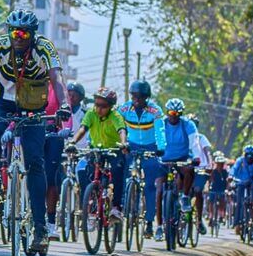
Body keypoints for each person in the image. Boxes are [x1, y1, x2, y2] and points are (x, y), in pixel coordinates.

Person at [0, 9, 71, 250]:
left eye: (24, 33)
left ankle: (41, 228)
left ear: (32, 34)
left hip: (34, 103)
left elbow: (57, 78)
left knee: (35, 163)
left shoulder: (44, 47)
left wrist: (64, 105)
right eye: (14, 32)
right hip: (2, 100)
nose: (18, 37)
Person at [67, 87, 127, 222]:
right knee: (85, 172)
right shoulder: (91, 114)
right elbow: (83, 129)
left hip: (113, 151)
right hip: (96, 150)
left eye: (103, 106)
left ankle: (116, 207)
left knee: (117, 172)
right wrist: (73, 142)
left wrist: (123, 143)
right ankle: (91, 204)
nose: (99, 109)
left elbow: (121, 129)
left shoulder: (115, 116)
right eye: (97, 105)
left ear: (111, 106)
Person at [118, 80, 166, 239]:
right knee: (123, 173)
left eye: (140, 97)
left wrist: (161, 147)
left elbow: (160, 130)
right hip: (131, 146)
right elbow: (117, 125)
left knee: (150, 187)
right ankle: (122, 206)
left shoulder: (155, 110)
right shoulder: (124, 108)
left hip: (151, 148)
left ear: (146, 97)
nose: (136, 99)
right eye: (134, 96)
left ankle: (149, 221)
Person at [154, 98, 198, 241]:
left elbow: (194, 142)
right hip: (163, 160)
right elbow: (155, 139)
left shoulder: (188, 124)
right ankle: (159, 226)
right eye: (171, 112)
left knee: (189, 170)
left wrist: (196, 156)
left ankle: (185, 197)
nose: (174, 116)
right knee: (159, 191)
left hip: (181, 158)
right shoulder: (161, 124)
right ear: (167, 112)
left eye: (177, 113)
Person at [230, 145, 253, 234]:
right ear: (244, 154)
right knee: (239, 203)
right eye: (247, 154)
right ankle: (237, 223)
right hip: (241, 183)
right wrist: (231, 176)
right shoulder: (240, 160)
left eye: (252, 155)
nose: (249, 157)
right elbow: (234, 168)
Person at [187, 114, 213, 235]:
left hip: (200, 169)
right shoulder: (182, 137)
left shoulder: (201, 137)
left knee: (198, 190)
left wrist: (209, 163)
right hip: (185, 167)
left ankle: (199, 220)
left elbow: (208, 151)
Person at [209, 153, 229, 225]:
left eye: (221, 164)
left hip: (222, 189)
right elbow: (210, 180)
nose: (220, 165)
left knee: (222, 201)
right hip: (213, 189)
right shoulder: (213, 171)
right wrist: (208, 188)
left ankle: (221, 215)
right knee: (211, 202)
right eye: (219, 164)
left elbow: (227, 181)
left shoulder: (225, 172)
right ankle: (211, 217)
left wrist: (227, 189)